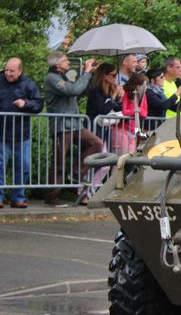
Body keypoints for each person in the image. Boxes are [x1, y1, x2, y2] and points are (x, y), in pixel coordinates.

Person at [44, 52, 104, 206]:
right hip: (61, 125)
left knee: (96, 143)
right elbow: (72, 90)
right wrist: (85, 73)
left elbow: (81, 90)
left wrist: (90, 74)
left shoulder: (66, 76)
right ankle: (52, 198)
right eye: (65, 61)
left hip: (75, 124)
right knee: (59, 162)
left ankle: (76, 173)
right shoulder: (52, 79)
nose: (69, 63)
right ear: (57, 65)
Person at [0, 58, 43, 208]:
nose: (8, 73)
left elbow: (39, 104)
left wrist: (26, 104)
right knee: (0, 165)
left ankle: (18, 197)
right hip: (1, 133)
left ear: (20, 71)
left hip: (21, 133)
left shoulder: (29, 84)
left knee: (23, 165)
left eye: (12, 71)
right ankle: (0, 196)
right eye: (6, 70)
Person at [113, 72, 149, 155]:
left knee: (131, 155)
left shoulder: (143, 95)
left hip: (133, 130)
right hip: (121, 128)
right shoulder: (125, 93)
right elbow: (123, 111)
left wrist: (135, 111)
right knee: (121, 156)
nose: (145, 88)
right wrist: (136, 111)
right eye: (143, 86)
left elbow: (145, 113)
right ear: (136, 85)